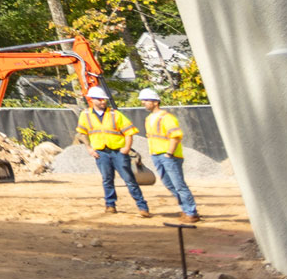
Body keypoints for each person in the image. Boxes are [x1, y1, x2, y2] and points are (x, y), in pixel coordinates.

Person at [76, 86, 151, 217]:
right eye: (99, 99)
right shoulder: (85, 115)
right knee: (107, 179)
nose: (103, 102)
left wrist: (127, 147)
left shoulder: (115, 114)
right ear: (92, 100)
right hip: (101, 152)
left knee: (129, 179)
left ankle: (142, 206)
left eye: (104, 99)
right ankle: (110, 205)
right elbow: (82, 133)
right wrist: (89, 148)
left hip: (118, 152)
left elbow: (129, 132)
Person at [139, 87, 197, 222]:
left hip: (169, 156)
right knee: (169, 184)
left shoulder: (167, 118)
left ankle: (191, 212)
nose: (144, 103)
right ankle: (185, 209)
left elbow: (175, 136)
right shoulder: (149, 119)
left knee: (179, 184)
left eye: (146, 100)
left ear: (155, 101)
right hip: (156, 155)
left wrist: (169, 153)